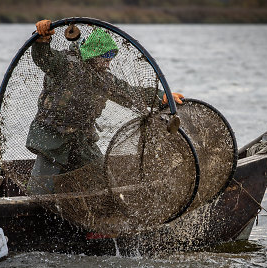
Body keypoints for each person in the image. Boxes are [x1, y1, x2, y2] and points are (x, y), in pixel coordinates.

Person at [25, 19, 183, 194]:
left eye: (111, 57)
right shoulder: (64, 64)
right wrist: (41, 40)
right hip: (52, 139)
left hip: (81, 141)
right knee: (38, 192)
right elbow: (43, 58)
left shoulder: (104, 79)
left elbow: (130, 93)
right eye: (105, 57)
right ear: (93, 54)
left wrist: (163, 97)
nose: (108, 63)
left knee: (106, 185)